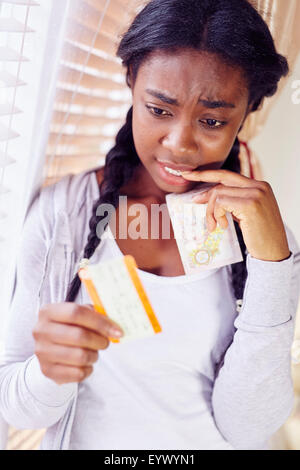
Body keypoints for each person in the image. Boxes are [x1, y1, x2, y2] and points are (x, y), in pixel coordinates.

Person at [0, 0, 300, 451]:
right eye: (159, 110)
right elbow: (19, 410)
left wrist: (274, 265)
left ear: (246, 112)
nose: (179, 145)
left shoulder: (263, 240)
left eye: (212, 121)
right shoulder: (66, 215)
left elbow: (249, 428)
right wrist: (49, 370)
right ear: (131, 84)